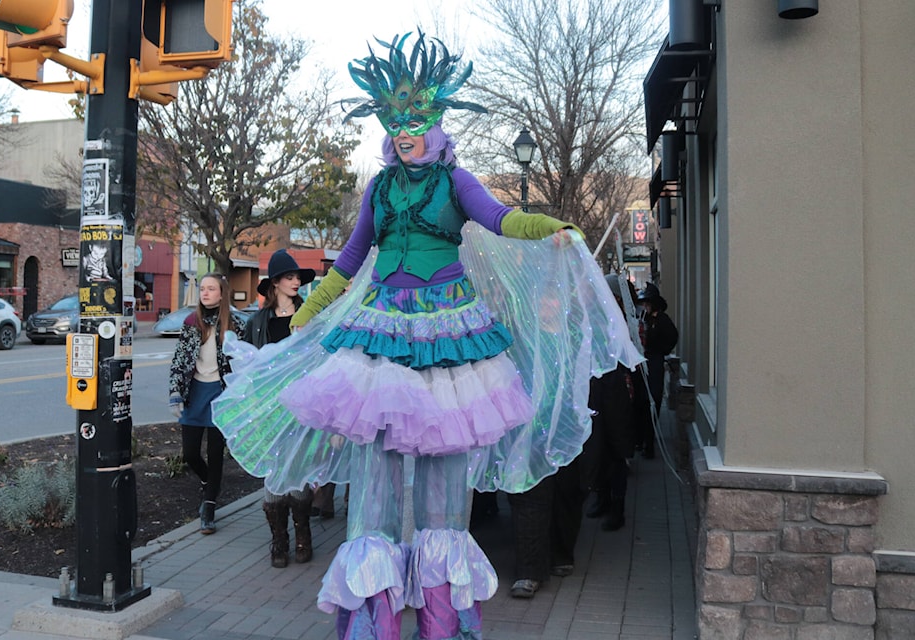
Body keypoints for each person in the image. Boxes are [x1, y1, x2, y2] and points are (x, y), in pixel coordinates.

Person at [212, 31, 642, 640]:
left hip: (450, 338)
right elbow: (351, 258)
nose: (405, 128)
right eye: (394, 119)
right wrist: (311, 313)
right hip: (382, 337)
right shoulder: (381, 187)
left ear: (436, 120)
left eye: (415, 117)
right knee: (377, 477)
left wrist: (550, 225)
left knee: (444, 477)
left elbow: (499, 218)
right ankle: (374, 621)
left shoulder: (455, 180)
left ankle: (443, 623)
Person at [243, 250, 317, 567]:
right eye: (289, 277)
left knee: (299, 470)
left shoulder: (311, 315)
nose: (296, 281)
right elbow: (248, 367)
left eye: (298, 277)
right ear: (275, 283)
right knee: (274, 473)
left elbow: (321, 358)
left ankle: (303, 532)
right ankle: (279, 539)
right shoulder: (257, 322)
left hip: (302, 405)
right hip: (270, 408)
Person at [169, 272, 245, 534]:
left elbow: (242, 363)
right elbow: (179, 360)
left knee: (215, 454)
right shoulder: (191, 322)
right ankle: (207, 483)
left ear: (222, 294)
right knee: (190, 453)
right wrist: (175, 391)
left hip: (221, 394)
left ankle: (209, 508)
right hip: (195, 392)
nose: (205, 293)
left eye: (211, 289)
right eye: (203, 288)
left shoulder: (234, 325)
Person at [585, 274, 638, 531]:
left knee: (616, 449)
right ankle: (601, 497)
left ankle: (617, 507)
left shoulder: (621, 317)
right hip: (595, 385)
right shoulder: (593, 314)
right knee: (598, 447)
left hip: (615, 386)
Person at [635, 282, 679, 459]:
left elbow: (672, 337)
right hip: (644, 364)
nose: (644, 306)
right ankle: (641, 439)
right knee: (642, 403)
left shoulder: (662, 320)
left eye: (647, 302)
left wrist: (661, 351)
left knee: (653, 401)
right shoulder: (644, 319)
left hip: (654, 365)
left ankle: (649, 443)